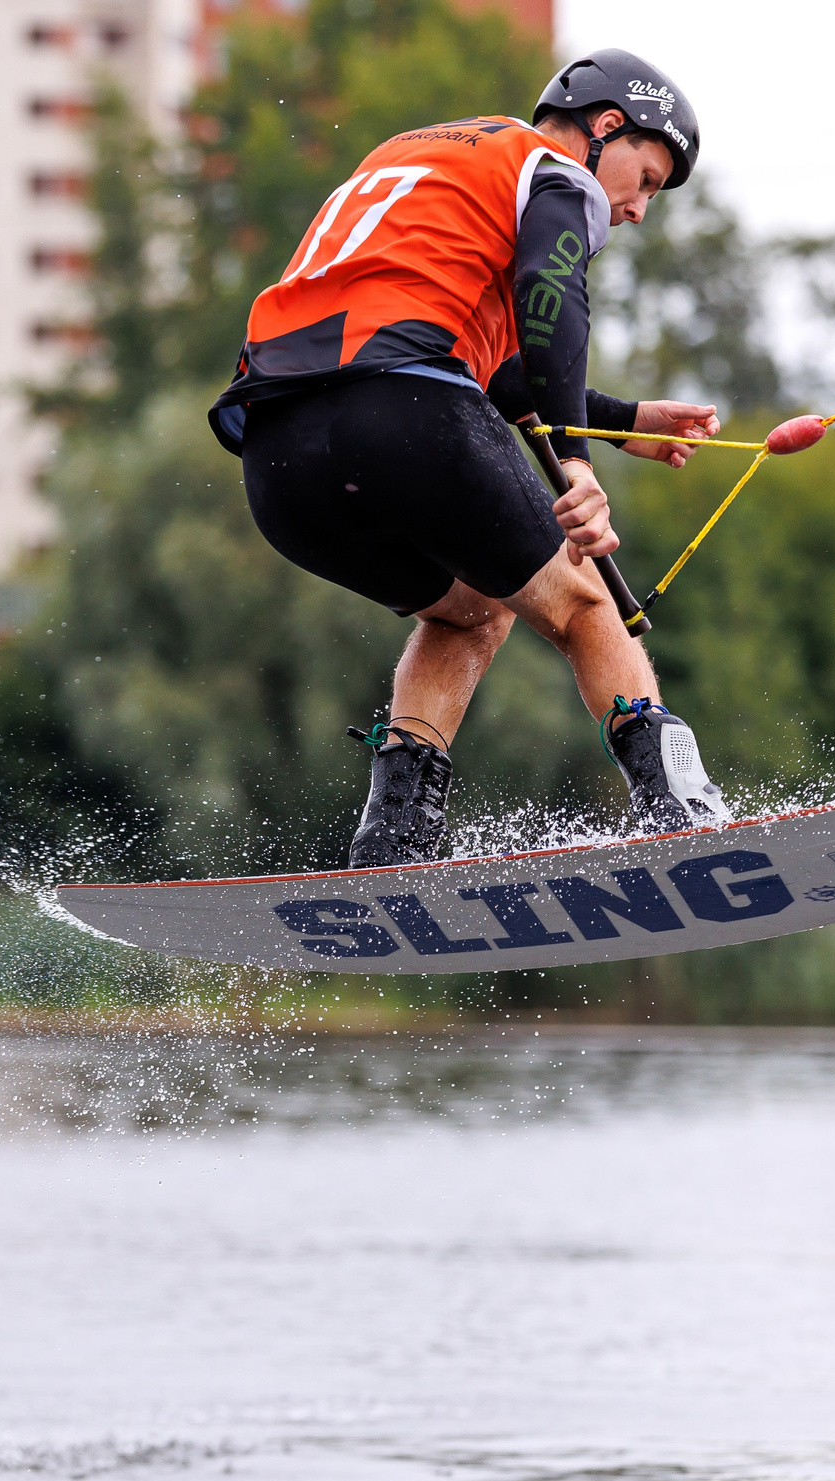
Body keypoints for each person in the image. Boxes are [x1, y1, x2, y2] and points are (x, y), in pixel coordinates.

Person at [208, 50, 728, 869]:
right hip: (405, 415)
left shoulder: (412, 156)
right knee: (585, 603)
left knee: (471, 612)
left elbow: (482, 360)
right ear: (604, 129)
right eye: (646, 177)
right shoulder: (554, 171)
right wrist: (578, 462)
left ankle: (393, 846)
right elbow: (550, 296)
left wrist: (622, 422)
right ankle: (688, 815)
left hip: (279, 458)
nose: (635, 207)